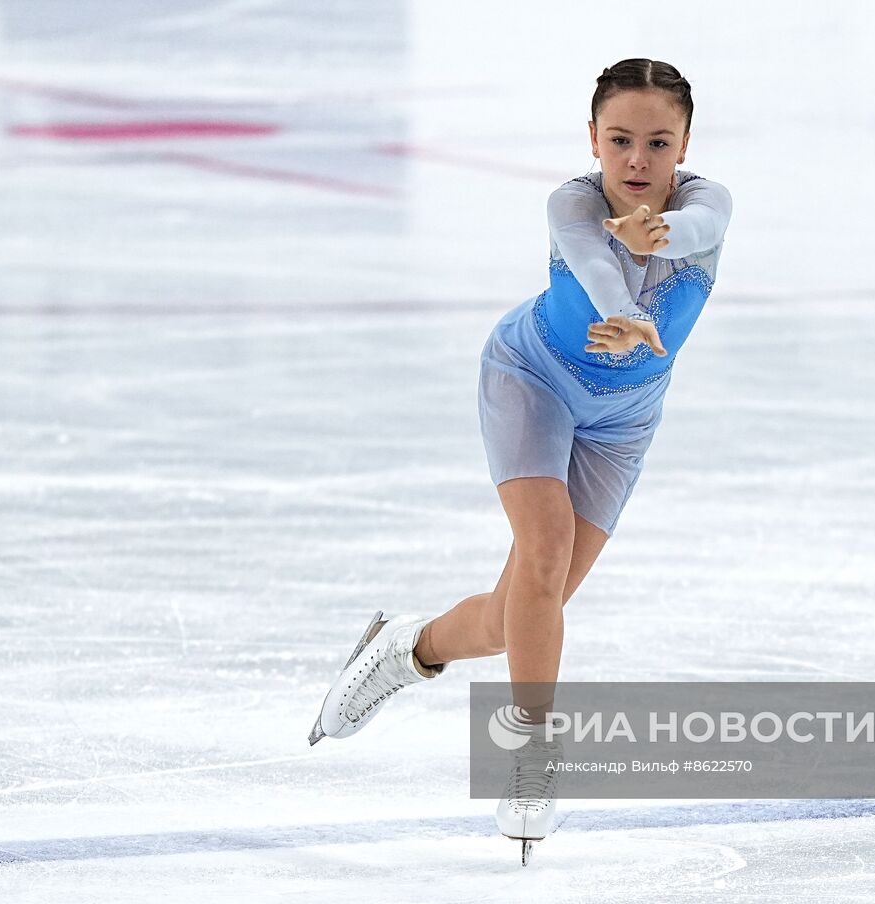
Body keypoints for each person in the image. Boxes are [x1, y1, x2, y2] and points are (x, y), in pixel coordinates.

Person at [309, 58, 732, 857]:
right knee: (543, 559)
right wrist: (625, 307)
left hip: (624, 420)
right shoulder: (570, 203)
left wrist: (658, 231)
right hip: (530, 379)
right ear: (593, 139)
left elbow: (701, 229)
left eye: (657, 142)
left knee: (521, 618)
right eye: (620, 141)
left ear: (684, 145)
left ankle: (407, 648)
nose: (637, 160)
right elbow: (600, 268)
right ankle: (531, 760)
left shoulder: (707, 203)